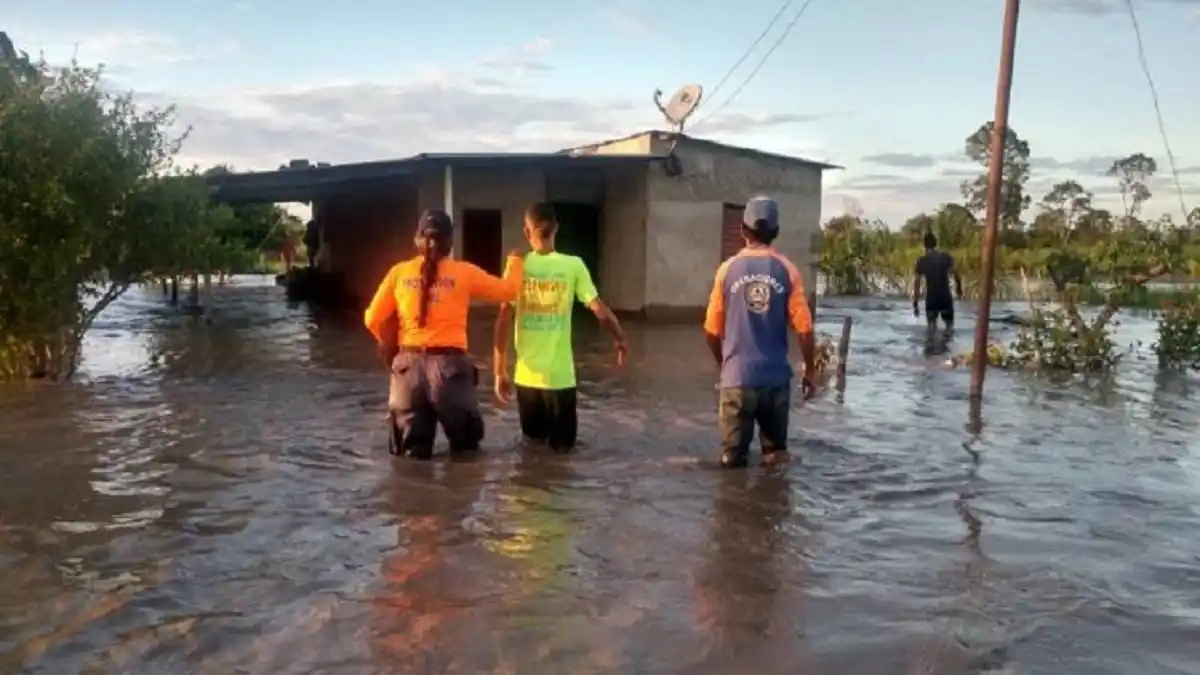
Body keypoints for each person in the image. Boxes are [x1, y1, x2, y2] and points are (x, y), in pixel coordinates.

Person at [363, 209, 524, 459]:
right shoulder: (464, 273)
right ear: (450, 242)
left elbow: (372, 317)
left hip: (407, 371)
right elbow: (508, 291)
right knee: (466, 454)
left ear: (418, 240)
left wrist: (389, 347)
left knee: (409, 463)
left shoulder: (398, 273)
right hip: (450, 372)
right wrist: (515, 262)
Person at [491, 202, 627, 453]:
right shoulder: (573, 265)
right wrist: (620, 338)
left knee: (531, 452)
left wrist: (499, 371)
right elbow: (600, 311)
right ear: (557, 229)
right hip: (560, 380)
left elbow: (502, 319)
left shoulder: (516, 266)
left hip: (526, 380)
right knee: (564, 455)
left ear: (526, 232)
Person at [703, 196, 816, 469]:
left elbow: (710, 331)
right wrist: (810, 371)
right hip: (775, 380)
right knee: (775, 460)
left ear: (743, 230)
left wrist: (724, 365)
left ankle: (733, 507)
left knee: (731, 463)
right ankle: (773, 509)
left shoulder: (726, 270)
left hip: (736, 379)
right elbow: (804, 330)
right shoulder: (788, 270)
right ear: (776, 233)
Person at [912, 230, 963, 346]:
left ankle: (930, 350)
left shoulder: (921, 261)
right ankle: (947, 351)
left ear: (924, 245)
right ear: (936, 244)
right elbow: (956, 274)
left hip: (931, 297)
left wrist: (915, 303)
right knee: (949, 326)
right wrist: (959, 290)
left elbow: (917, 283)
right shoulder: (946, 257)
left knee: (931, 328)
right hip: (945, 296)